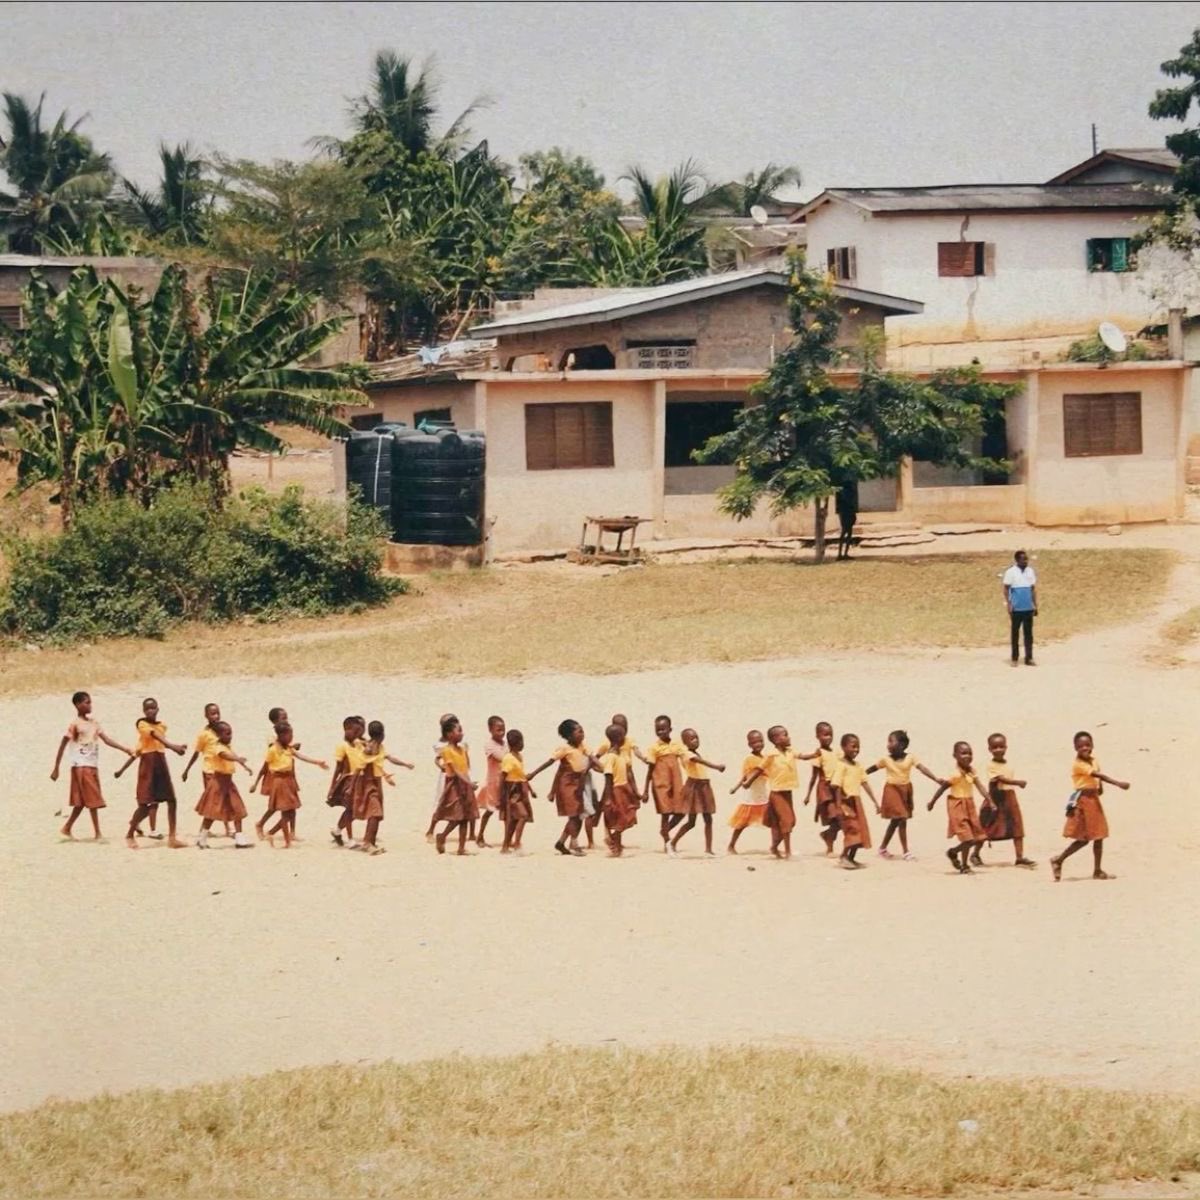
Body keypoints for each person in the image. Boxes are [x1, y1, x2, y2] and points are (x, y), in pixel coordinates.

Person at [51, 691, 134, 841]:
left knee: (82, 801)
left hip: (92, 765)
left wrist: (125, 749)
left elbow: (107, 740)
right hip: (81, 765)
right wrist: (56, 767)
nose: (90, 705)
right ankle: (98, 834)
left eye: (90, 702)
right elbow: (63, 744)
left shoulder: (94, 723)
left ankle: (67, 828)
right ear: (77, 705)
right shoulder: (75, 725)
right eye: (86, 702)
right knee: (93, 800)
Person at [1050, 731, 1130, 882]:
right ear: (1075, 748)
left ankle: (1097, 870)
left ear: (1092, 745)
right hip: (1084, 801)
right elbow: (1098, 776)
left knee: (1099, 835)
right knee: (1084, 838)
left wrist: (1099, 789)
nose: (1085, 748)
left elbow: (1097, 777)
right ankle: (1059, 859)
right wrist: (1118, 783)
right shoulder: (1078, 764)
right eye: (1081, 746)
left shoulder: (1093, 760)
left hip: (1093, 799)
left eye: (1088, 745)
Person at [118, 697, 187, 849]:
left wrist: (175, 746)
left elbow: (160, 740)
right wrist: (173, 747)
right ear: (143, 711)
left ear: (158, 709)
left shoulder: (162, 726)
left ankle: (172, 837)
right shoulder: (141, 724)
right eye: (147, 708)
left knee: (172, 800)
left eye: (153, 707)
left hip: (161, 764)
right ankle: (129, 834)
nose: (150, 711)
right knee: (146, 805)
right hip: (148, 765)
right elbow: (154, 736)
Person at [866, 730, 944, 861]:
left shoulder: (910, 757)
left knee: (896, 821)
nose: (888, 745)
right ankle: (906, 851)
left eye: (891, 741)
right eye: (888, 742)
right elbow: (873, 768)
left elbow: (922, 768)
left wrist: (935, 779)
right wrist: (859, 774)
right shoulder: (885, 759)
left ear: (902, 745)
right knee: (901, 819)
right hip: (891, 790)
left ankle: (882, 848)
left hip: (905, 791)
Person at [748, 725, 819, 859]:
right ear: (776, 739)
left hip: (788, 792)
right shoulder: (771, 755)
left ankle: (774, 847)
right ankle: (788, 852)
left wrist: (814, 755)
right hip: (777, 793)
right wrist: (748, 782)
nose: (788, 737)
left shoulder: (790, 751)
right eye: (785, 735)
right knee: (787, 820)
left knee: (787, 822)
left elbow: (802, 756)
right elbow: (759, 769)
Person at [528, 719, 596, 857]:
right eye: (579, 731)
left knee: (579, 815)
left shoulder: (583, 746)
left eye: (583, 730)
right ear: (570, 736)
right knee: (575, 816)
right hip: (567, 785)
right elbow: (550, 763)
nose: (582, 733)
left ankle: (562, 842)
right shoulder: (564, 749)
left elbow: (593, 759)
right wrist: (534, 774)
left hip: (579, 784)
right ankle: (574, 844)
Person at [927, 742, 991, 875]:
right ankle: (961, 862)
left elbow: (980, 786)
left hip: (970, 806)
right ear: (955, 756)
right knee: (968, 838)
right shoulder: (955, 774)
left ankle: (956, 855)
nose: (967, 756)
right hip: (957, 806)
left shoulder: (972, 771)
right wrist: (932, 801)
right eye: (963, 753)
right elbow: (943, 787)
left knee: (975, 838)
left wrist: (990, 800)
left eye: (970, 753)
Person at [262, 722, 328, 849]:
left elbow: (301, 757)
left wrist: (317, 762)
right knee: (285, 812)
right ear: (281, 735)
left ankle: (275, 834)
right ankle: (281, 838)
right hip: (279, 781)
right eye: (289, 735)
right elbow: (266, 767)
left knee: (290, 812)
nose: (291, 737)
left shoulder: (288, 748)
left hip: (288, 781)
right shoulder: (273, 750)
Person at [351, 719, 409, 855]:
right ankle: (367, 843)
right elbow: (359, 768)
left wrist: (405, 764)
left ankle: (370, 841)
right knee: (375, 812)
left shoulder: (380, 747)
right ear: (381, 734)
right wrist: (351, 787)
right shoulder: (369, 749)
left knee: (377, 814)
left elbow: (390, 758)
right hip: (367, 783)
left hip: (376, 783)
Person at [194, 722, 254, 849]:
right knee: (212, 812)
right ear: (218, 735)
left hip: (228, 782)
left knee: (237, 808)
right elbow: (224, 756)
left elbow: (234, 756)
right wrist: (237, 759)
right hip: (218, 783)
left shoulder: (228, 746)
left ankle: (239, 837)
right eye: (227, 733)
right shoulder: (218, 747)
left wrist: (245, 766)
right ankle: (202, 837)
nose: (230, 735)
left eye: (230, 733)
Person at [981, 732, 1036, 868]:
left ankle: (1020, 857)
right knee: (989, 827)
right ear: (989, 749)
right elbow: (1000, 779)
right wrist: (1017, 782)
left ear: (1006, 747)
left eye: (1001, 746)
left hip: (1009, 796)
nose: (998, 750)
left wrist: (1014, 785)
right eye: (995, 747)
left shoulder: (1008, 764)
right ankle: (976, 852)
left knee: (1017, 825)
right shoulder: (991, 765)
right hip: (996, 798)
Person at [669, 728, 725, 857]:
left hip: (704, 786)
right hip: (694, 787)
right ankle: (672, 843)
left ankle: (709, 850)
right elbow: (700, 762)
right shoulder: (687, 754)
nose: (695, 740)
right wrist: (716, 767)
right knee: (691, 822)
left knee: (708, 819)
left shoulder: (696, 752)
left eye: (696, 738)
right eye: (691, 739)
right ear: (685, 742)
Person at [830, 733, 880, 869]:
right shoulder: (841, 765)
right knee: (852, 830)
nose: (856, 750)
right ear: (844, 747)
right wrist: (839, 806)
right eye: (853, 746)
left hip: (857, 802)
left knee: (861, 831)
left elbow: (865, 784)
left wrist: (875, 802)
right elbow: (837, 786)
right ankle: (843, 857)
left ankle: (851, 858)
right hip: (846, 802)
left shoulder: (858, 766)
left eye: (858, 747)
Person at [432, 717, 477, 856]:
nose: (462, 733)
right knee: (457, 817)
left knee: (466, 817)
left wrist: (469, 781)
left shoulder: (462, 749)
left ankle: (461, 847)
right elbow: (455, 771)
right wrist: (468, 783)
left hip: (465, 784)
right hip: (454, 786)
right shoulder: (447, 751)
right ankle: (443, 835)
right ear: (449, 734)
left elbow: (465, 767)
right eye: (459, 731)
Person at [643, 715, 687, 851]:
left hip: (676, 782)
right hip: (660, 783)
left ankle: (665, 830)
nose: (661, 732)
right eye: (658, 730)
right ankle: (667, 841)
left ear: (670, 729)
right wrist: (645, 790)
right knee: (665, 812)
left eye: (663, 729)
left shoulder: (676, 746)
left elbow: (687, 760)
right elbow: (650, 769)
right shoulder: (654, 748)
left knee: (681, 811)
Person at [597, 723, 639, 857]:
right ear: (618, 738)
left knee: (627, 815)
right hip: (616, 790)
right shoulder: (611, 757)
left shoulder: (621, 755)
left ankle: (615, 842)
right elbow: (608, 776)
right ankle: (615, 845)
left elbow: (629, 772)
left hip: (624, 788)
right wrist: (609, 797)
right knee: (620, 818)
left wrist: (634, 791)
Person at [802, 721, 841, 855]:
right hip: (825, 789)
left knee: (840, 819)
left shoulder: (837, 752)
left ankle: (827, 836)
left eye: (830, 735)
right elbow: (814, 777)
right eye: (825, 735)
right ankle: (830, 847)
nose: (828, 737)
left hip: (836, 789)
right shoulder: (818, 754)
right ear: (818, 736)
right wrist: (808, 795)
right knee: (834, 816)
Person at [727, 729, 769, 854]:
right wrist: (736, 787)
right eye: (755, 742)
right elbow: (745, 777)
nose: (759, 744)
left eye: (761, 741)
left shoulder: (765, 758)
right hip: (751, 796)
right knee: (742, 823)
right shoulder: (749, 759)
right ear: (749, 744)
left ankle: (775, 846)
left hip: (762, 794)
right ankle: (731, 845)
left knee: (773, 820)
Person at [327, 715, 366, 848]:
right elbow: (338, 768)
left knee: (355, 811)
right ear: (346, 730)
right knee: (350, 809)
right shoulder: (342, 746)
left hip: (360, 780)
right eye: (355, 731)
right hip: (349, 780)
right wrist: (332, 786)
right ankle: (350, 839)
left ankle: (337, 830)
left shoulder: (359, 744)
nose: (357, 734)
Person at [251, 707, 290, 838]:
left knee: (291, 805)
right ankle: (262, 825)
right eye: (283, 718)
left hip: (288, 773)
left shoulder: (286, 732)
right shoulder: (273, 738)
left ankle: (291, 832)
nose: (286, 720)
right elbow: (273, 755)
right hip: (277, 773)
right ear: (275, 721)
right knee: (278, 805)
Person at [498, 729, 534, 854]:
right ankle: (516, 843)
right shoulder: (508, 758)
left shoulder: (519, 757)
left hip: (520, 789)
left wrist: (530, 789)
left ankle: (505, 846)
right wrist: (501, 796)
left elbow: (521, 775)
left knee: (513, 821)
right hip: (512, 791)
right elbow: (503, 776)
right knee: (522, 816)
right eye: (521, 742)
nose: (523, 744)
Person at [1003, 549, 1038, 666]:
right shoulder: (1011, 572)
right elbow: (1006, 589)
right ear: (1017, 560)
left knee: (1029, 634)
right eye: (1023, 559)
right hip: (1016, 608)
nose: (1026, 561)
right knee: (1015, 634)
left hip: (1028, 608)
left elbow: (1032, 589)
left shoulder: (1030, 571)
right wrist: (1009, 604)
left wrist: (1035, 604)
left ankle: (1029, 658)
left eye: (1026, 559)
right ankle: (1014, 658)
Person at [476, 715, 507, 848]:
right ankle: (480, 835)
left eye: (503, 729)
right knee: (489, 810)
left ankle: (507, 839)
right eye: (498, 729)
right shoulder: (489, 745)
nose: (501, 732)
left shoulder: (506, 743)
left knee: (507, 812)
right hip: (494, 782)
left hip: (506, 782)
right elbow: (503, 758)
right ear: (490, 730)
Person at [835, 479, 859, 561]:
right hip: (847, 515)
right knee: (847, 534)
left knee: (845, 534)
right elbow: (851, 505)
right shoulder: (848, 494)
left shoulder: (842, 494)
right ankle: (842, 554)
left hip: (845, 515)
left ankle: (842, 554)